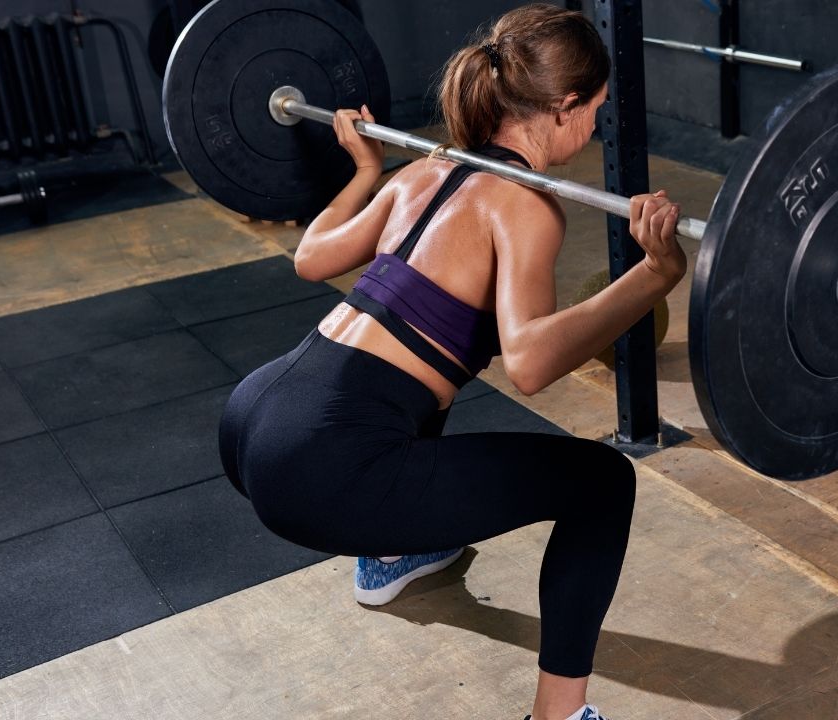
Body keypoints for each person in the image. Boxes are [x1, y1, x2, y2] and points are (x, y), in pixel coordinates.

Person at [216, 5, 686, 719]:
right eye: (593, 109)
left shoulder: (420, 174)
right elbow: (528, 363)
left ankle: (395, 556)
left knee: (421, 378)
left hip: (254, 420)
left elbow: (311, 258)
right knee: (602, 484)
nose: (595, 126)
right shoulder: (527, 209)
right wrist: (653, 275)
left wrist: (365, 170)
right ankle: (559, 715)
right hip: (321, 469)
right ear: (562, 108)